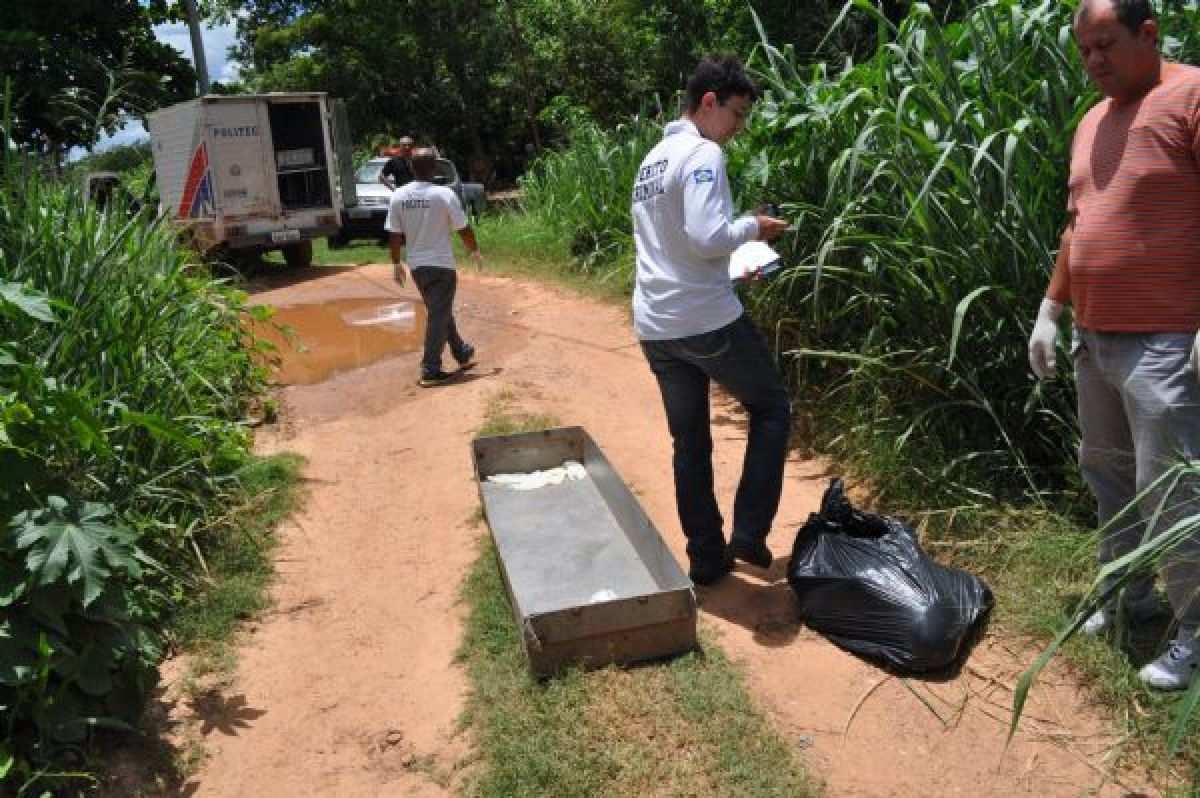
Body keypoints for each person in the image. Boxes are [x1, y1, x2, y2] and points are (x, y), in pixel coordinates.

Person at [1027, 0, 1200, 690]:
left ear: (1147, 35)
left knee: (1173, 491)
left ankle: (1195, 631)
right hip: (1095, 340)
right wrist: (1050, 307)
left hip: (1165, 342)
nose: (1093, 61)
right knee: (1109, 477)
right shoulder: (1091, 122)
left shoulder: (1189, 94)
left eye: (1105, 44)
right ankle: (1129, 594)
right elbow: (1080, 225)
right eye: (1083, 50)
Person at [630, 55, 790, 586]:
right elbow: (704, 236)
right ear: (708, 102)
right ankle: (747, 532)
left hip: (657, 324)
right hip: (704, 320)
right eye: (737, 114)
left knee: (690, 442)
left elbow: (676, 245)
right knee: (771, 408)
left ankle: (706, 556)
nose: (739, 129)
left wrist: (730, 264)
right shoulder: (702, 153)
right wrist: (754, 228)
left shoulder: (653, 159)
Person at [386, 147, 482, 387]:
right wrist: (474, 250)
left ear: (411, 167)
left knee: (440, 310)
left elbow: (394, 235)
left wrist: (396, 263)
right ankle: (430, 369)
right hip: (441, 266)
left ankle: (461, 352)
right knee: (439, 314)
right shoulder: (443, 194)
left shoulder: (398, 196)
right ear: (435, 168)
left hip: (417, 267)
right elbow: (463, 228)